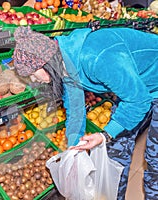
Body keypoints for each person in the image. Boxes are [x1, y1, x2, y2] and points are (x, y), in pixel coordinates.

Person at [12, 26, 158, 199]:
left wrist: (106, 134)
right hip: (135, 86)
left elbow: (138, 101)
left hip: (145, 86)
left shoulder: (96, 59)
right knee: (116, 153)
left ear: (46, 63)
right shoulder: (65, 61)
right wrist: (74, 146)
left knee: (154, 156)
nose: (35, 81)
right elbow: (75, 107)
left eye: (33, 75)